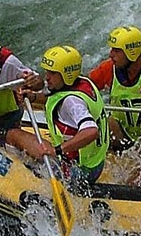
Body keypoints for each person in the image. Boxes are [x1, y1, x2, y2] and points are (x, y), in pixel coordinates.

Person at [18, 45, 109, 187]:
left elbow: (91, 131)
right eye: (47, 72)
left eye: (53, 73)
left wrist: (57, 150)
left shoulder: (72, 102)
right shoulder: (84, 83)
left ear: (66, 74)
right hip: (95, 163)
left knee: (14, 135)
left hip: (79, 172)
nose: (47, 77)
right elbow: (55, 100)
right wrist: (34, 97)